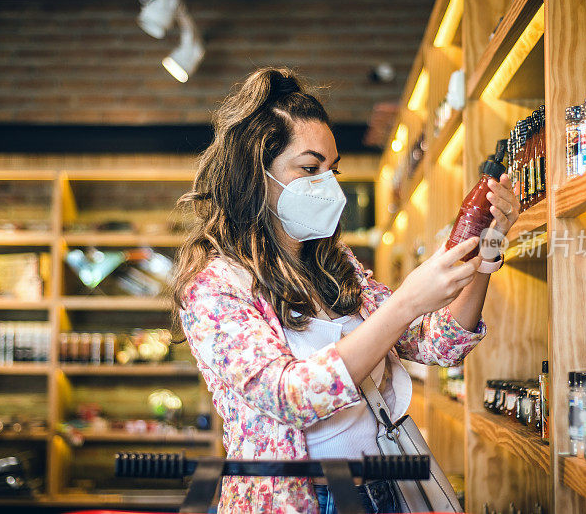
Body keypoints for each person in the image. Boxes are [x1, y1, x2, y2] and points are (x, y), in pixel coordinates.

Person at [172, 67, 520, 514]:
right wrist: (408, 302)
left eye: (332, 170)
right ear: (254, 173)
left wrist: (484, 256)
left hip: (382, 489)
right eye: (309, 168)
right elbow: (289, 396)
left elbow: (438, 345)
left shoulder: (335, 266)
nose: (327, 184)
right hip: (301, 499)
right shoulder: (214, 285)